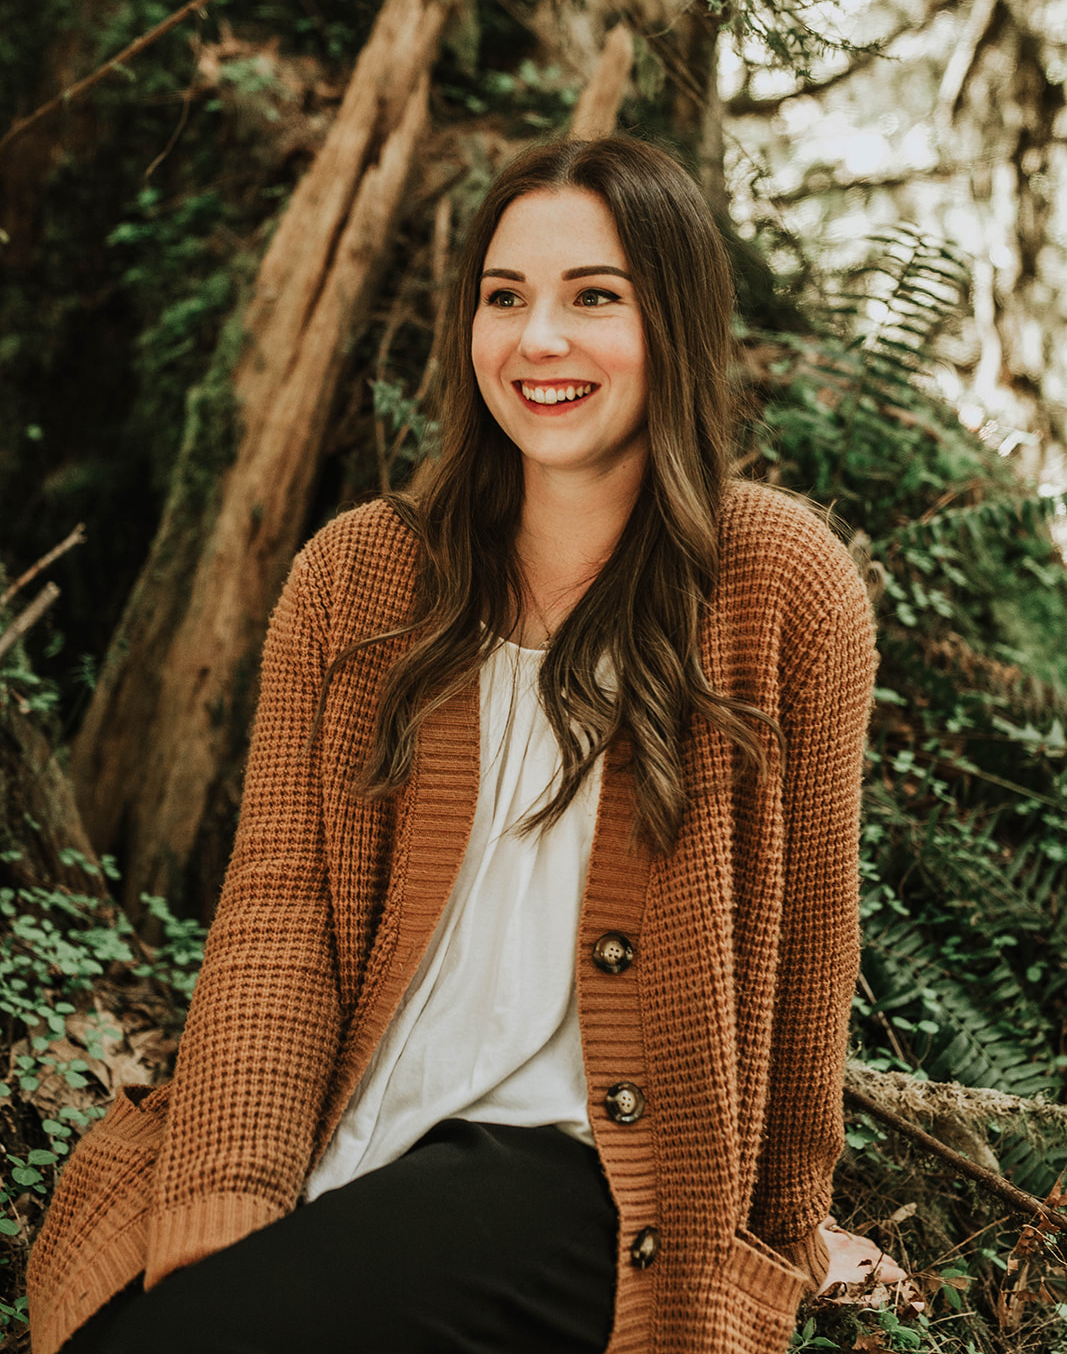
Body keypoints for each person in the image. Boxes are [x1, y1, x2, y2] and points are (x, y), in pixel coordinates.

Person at [29, 135, 882, 1354]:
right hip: (345, 1120)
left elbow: (807, 950)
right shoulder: (356, 576)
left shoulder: (780, 585)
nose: (539, 340)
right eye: (503, 297)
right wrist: (230, 1179)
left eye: (594, 296)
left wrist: (777, 1241)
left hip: (575, 1175)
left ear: (678, 324)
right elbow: (279, 906)